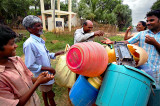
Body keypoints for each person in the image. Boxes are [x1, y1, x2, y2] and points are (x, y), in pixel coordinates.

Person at [101, 9, 160, 86]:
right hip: (142, 70)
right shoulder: (142, 34)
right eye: (147, 21)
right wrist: (112, 42)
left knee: (154, 91)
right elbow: (127, 42)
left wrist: (155, 43)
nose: (148, 23)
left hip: (157, 71)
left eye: (151, 20)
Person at [0, 24, 54, 106]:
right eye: (11, 44)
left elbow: (27, 79)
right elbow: (17, 104)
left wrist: (38, 79)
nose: (16, 46)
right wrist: (37, 83)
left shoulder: (17, 60)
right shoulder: (1, 77)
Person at [22, 15, 64, 106]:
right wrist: (49, 69)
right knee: (51, 94)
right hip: (43, 75)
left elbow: (44, 55)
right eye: (38, 26)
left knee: (45, 92)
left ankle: (46, 104)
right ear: (29, 28)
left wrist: (55, 54)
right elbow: (30, 65)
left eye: (41, 25)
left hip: (46, 75)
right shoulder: (29, 44)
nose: (41, 27)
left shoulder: (39, 41)